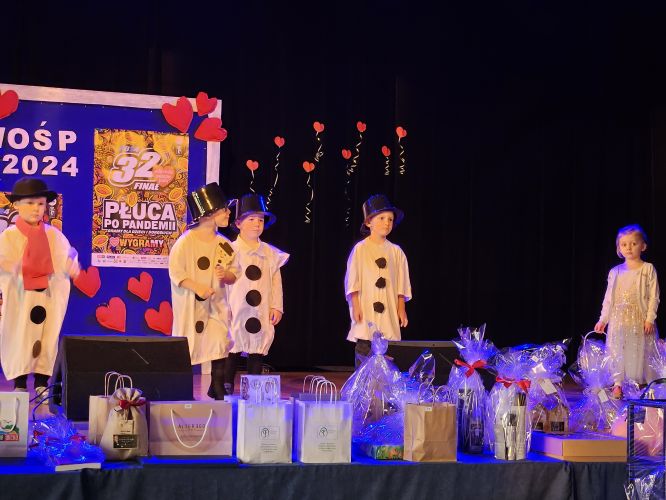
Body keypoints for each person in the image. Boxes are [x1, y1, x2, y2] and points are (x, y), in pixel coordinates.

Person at [0, 177, 79, 400]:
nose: (36, 209)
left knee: (47, 336)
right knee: (20, 335)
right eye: (30, 203)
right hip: (21, 297)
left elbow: (66, 257)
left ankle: (43, 381)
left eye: (41, 204)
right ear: (17, 205)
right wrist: (14, 268)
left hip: (48, 297)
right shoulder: (9, 236)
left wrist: (70, 266)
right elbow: (4, 261)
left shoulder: (53, 235)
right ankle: (20, 382)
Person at [169, 182, 240, 399]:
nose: (228, 213)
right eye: (224, 209)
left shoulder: (224, 244)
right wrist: (198, 287)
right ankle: (183, 394)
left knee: (219, 342)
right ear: (209, 214)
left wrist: (225, 276)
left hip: (215, 306)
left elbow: (235, 272)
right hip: (191, 308)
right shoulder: (185, 243)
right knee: (189, 346)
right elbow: (176, 272)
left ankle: (217, 387)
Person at [225, 194, 289, 394]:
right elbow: (222, 282)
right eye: (251, 219)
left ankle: (253, 392)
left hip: (261, 308)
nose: (256, 224)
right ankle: (225, 389)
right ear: (238, 223)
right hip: (236, 307)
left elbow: (276, 281)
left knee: (257, 347)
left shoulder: (270, 253)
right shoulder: (229, 250)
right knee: (233, 346)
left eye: (260, 220)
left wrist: (277, 306)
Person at [594, 224, 660, 398]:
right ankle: (618, 384)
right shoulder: (615, 272)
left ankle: (642, 385)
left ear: (643, 246)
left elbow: (654, 297)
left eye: (633, 243)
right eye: (624, 244)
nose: (629, 248)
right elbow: (609, 299)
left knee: (640, 350)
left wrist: (650, 318)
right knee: (618, 350)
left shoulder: (648, 269)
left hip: (639, 319)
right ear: (619, 248)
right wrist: (603, 319)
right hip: (619, 319)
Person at [345, 194, 412, 366]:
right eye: (381, 218)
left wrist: (401, 307)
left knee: (387, 351)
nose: (387, 223)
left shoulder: (396, 252)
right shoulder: (360, 249)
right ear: (369, 222)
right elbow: (353, 280)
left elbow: (402, 282)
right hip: (366, 310)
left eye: (390, 219)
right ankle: (362, 381)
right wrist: (356, 305)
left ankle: (383, 382)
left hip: (388, 310)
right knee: (364, 347)